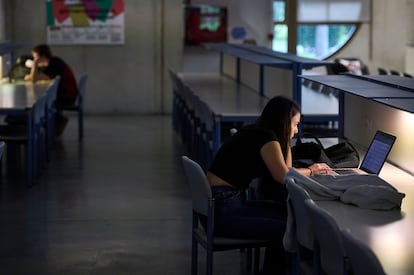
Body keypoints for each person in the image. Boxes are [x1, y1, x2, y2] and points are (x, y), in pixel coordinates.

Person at [206, 96, 332, 274]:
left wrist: (286, 137)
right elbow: (284, 175)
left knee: (287, 217)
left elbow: (286, 168)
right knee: (290, 227)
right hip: (224, 210)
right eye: (295, 124)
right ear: (284, 122)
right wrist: (311, 170)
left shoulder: (257, 131)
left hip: (221, 203)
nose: (296, 131)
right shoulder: (266, 138)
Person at [24, 44, 78, 135]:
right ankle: (56, 122)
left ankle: (57, 123)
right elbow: (37, 77)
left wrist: (34, 65)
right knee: (43, 103)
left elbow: (33, 79)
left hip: (67, 97)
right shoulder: (54, 62)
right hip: (67, 94)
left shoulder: (53, 65)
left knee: (41, 105)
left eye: (35, 57)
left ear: (42, 57)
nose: (33, 59)